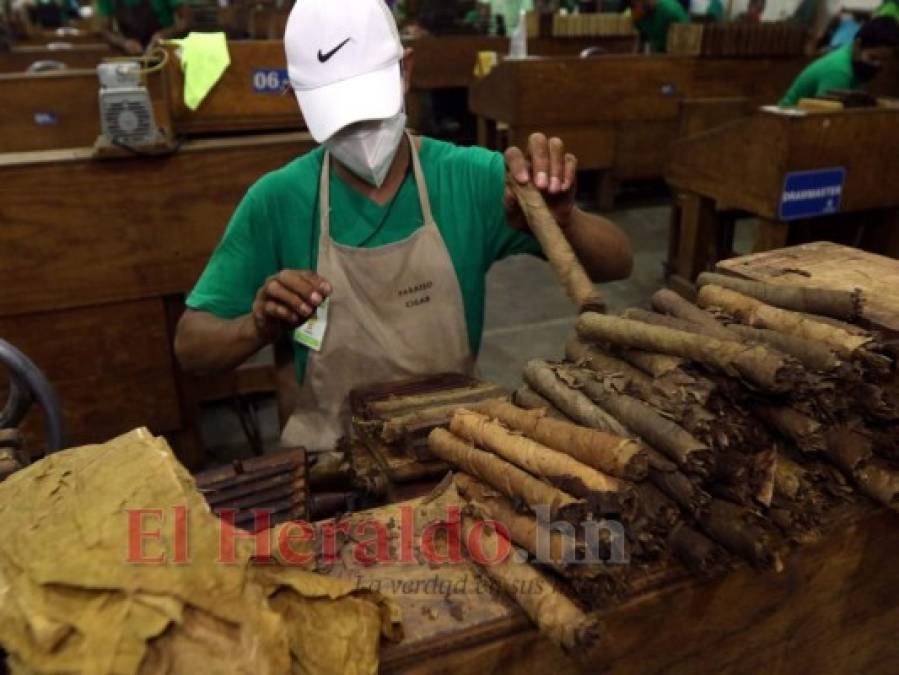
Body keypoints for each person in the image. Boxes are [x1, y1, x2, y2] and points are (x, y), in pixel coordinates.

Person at [174, 0, 633, 453]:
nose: (361, 130)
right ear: (296, 100)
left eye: (371, 107)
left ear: (405, 71)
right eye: (340, 115)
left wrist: (565, 221)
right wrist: (255, 326)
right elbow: (192, 348)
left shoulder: (468, 179)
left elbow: (618, 262)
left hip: (451, 446)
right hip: (333, 459)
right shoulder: (277, 201)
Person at [778, 17, 899, 107]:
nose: (878, 65)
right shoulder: (839, 71)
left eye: (884, 60)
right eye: (873, 58)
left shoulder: (853, 60)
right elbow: (828, 116)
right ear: (857, 45)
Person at [96, 0, 190, 55]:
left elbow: (187, 20)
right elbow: (105, 30)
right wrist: (124, 43)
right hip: (133, 58)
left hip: (166, 54)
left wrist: (164, 34)